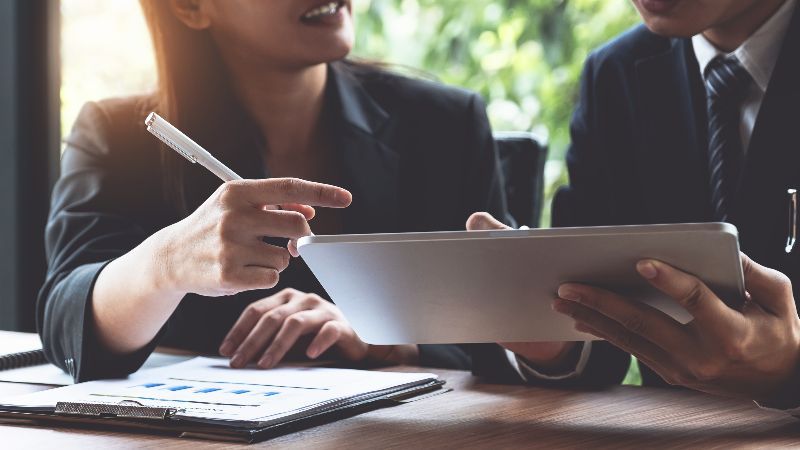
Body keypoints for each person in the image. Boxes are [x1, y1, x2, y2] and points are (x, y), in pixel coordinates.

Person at [39, 0, 508, 382]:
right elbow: (66, 325)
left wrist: (388, 341)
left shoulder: (446, 125)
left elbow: (510, 335)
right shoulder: (118, 136)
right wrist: (165, 265)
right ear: (191, 7)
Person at [468, 0, 800, 408]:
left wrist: (792, 373)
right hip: (673, 430)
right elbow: (601, 342)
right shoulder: (617, 73)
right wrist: (555, 337)